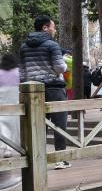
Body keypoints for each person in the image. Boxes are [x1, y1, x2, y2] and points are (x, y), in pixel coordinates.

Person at [19, 15, 70, 169]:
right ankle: (60, 159)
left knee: (37, 124)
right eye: (53, 26)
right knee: (59, 123)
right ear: (45, 28)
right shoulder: (52, 45)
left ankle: (37, 159)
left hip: (33, 91)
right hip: (54, 88)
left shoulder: (23, 47)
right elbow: (60, 68)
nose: (54, 30)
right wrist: (64, 63)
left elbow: (21, 73)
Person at [0, 54, 20, 191]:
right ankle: (8, 151)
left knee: (2, 133)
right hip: (14, 109)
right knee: (12, 133)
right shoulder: (17, 73)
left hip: (1, 109)